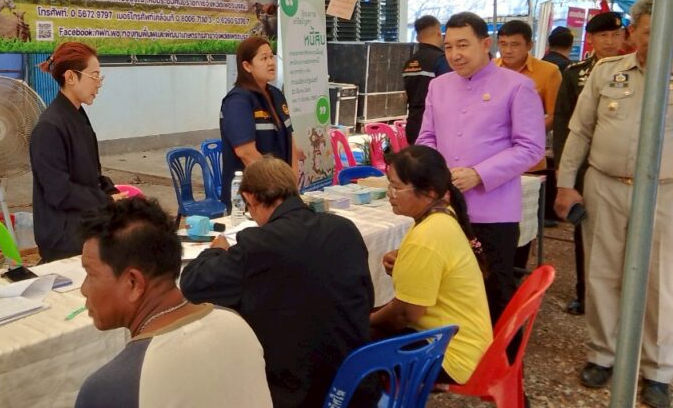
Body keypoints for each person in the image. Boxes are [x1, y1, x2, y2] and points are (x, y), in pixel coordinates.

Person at [555, 0, 673, 408]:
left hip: (666, 193)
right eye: (649, 31)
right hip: (605, 186)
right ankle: (603, 354)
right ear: (632, 32)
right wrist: (566, 184)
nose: (658, 39)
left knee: (662, 282)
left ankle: (658, 370)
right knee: (602, 274)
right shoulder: (606, 73)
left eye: (667, 31)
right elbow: (580, 131)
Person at [180, 156, 375, 408]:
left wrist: (216, 251)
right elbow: (366, 299)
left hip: (297, 393)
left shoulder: (258, 245)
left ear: (250, 198)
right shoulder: (344, 229)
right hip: (355, 381)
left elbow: (193, 284)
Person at [75, 197, 271, 408]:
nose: (84, 289)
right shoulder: (236, 324)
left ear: (133, 283)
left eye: (90, 274)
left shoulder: (110, 389)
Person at [417, 11, 544, 323]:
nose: (455, 55)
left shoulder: (517, 86)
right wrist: (436, 173)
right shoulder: (439, 86)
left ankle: (503, 355)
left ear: (486, 44)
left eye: (463, 45)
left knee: (494, 295)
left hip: (493, 212)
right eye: (448, 47)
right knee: (445, 294)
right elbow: (426, 137)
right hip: (444, 209)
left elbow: (530, 147)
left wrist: (480, 174)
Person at [371, 145, 493, 385]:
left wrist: (369, 319)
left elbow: (405, 314)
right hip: (463, 341)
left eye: (396, 187)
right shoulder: (440, 215)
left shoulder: (428, 235)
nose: (390, 194)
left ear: (428, 192)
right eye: (389, 185)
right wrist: (406, 263)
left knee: (352, 345)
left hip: (451, 354)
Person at [552, 11, 625, 316]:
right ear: (591, 39)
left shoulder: (635, 71)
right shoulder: (576, 73)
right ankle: (584, 293)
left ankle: (623, 296)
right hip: (584, 166)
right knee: (585, 231)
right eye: (603, 36)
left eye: (615, 35)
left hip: (622, 166)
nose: (610, 42)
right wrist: (563, 169)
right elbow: (563, 122)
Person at [30, 42, 122, 262]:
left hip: (85, 225)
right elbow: (59, 192)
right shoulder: (49, 128)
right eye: (94, 76)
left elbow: (92, 174)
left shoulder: (77, 115)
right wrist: (106, 201)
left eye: (100, 76)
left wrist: (113, 193)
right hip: (63, 239)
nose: (99, 83)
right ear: (70, 77)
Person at [219, 36, 303, 209]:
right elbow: (246, 152)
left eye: (271, 56)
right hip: (253, 197)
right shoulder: (238, 101)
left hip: (281, 194)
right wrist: (277, 185)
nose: (271, 63)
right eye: (263, 58)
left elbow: (290, 141)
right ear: (247, 66)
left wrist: (292, 185)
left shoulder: (277, 95)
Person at [495, 19, 562, 172]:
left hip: (529, 158)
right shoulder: (488, 69)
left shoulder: (549, 72)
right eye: (503, 44)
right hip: (492, 155)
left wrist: (524, 133)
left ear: (529, 45)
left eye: (515, 45)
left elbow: (555, 115)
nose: (508, 50)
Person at [402, 15, 445, 143]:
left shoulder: (409, 62)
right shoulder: (441, 60)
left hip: (413, 124)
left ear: (417, 38)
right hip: (434, 127)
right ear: (439, 33)